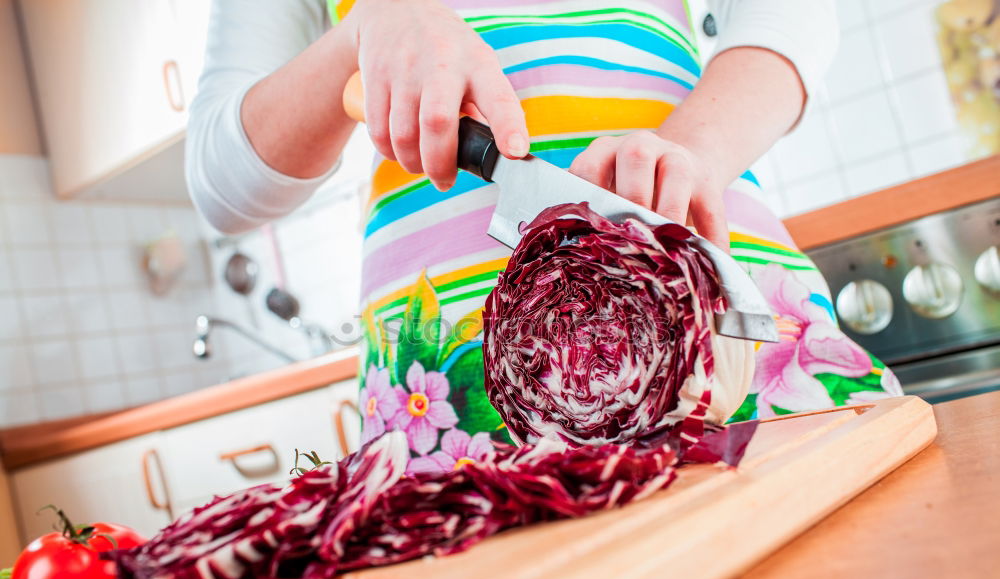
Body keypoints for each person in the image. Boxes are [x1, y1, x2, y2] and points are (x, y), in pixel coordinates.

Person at [187, 0, 903, 470]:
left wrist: (695, 149)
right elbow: (224, 181)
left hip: (724, 334)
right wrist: (365, 31)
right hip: (452, 398)